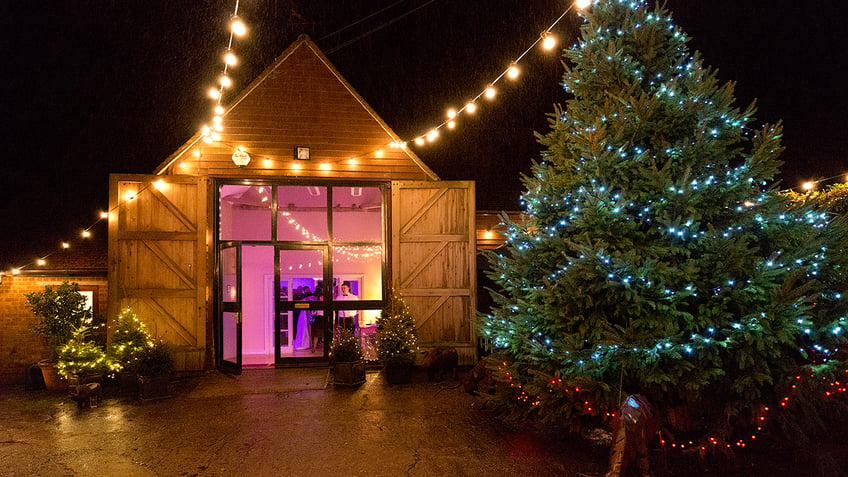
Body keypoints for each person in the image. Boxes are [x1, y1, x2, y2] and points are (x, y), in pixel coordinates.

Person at [309, 287, 325, 353]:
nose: (321, 298)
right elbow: (314, 313)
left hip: (325, 318)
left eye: (323, 297)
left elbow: (332, 312)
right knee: (316, 334)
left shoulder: (327, 304)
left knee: (325, 333)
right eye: (321, 297)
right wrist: (313, 311)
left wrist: (333, 319)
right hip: (319, 319)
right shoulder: (317, 304)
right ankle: (314, 347)